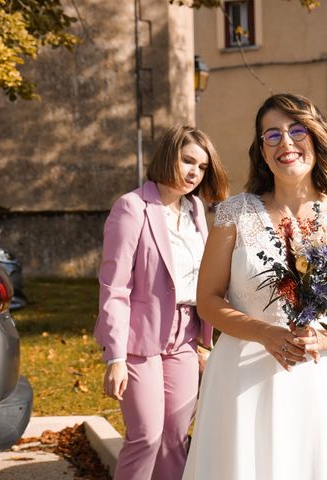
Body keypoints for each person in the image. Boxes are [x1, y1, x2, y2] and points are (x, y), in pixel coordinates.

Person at [182, 93, 327, 479]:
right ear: (261, 150)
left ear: (317, 138)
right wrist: (265, 333)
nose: (286, 143)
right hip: (240, 378)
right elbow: (207, 300)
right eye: (271, 135)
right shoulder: (233, 214)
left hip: (312, 376)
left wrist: (321, 338)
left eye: (296, 130)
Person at [94, 125, 229, 480]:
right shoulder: (132, 207)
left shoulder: (196, 209)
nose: (193, 173)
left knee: (173, 437)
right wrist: (116, 357)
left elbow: (201, 278)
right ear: (169, 156)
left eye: (201, 167)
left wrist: (204, 342)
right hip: (140, 340)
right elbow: (114, 285)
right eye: (187, 161)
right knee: (146, 437)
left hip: (185, 336)